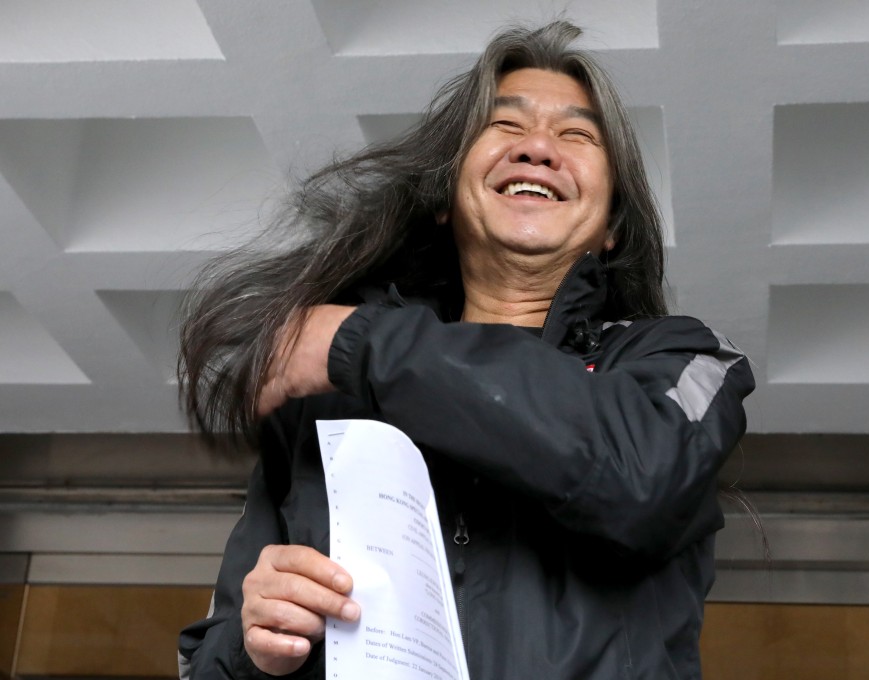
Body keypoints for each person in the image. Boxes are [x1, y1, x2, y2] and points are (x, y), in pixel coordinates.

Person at [177, 20, 754, 680]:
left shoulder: (684, 361)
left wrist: (356, 342)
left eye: (577, 134)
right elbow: (204, 666)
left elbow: (641, 474)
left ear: (613, 227)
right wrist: (252, 649)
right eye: (504, 126)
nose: (537, 147)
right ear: (448, 199)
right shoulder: (324, 410)